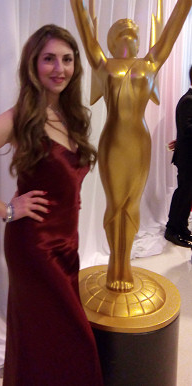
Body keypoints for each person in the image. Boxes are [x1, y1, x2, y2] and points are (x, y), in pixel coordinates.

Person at [0, 25, 104, 386]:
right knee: (73, 337)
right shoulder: (20, 117)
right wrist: (7, 209)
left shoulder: (72, 115)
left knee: (45, 337)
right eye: (49, 59)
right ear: (33, 64)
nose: (59, 68)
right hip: (35, 248)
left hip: (67, 244)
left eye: (67, 59)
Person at [70, 0, 192, 291]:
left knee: (132, 205)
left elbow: (172, 29)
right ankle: (115, 264)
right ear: (111, 39)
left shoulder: (150, 62)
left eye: (134, 30)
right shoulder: (103, 63)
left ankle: (126, 264)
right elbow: (87, 32)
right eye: (122, 28)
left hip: (140, 143)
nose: (129, 30)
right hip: (112, 141)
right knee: (115, 204)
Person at [165, 65, 192, 248]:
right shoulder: (189, 100)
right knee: (183, 193)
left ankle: (181, 226)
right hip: (188, 158)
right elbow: (188, 130)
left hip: (189, 155)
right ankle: (172, 229)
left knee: (188, 194)